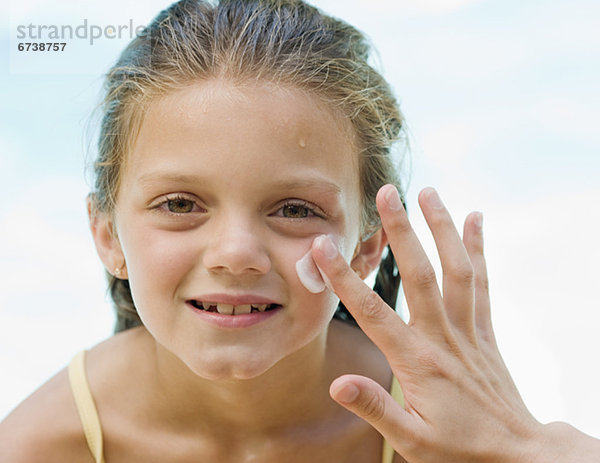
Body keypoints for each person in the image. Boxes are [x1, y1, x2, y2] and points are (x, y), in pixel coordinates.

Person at [1, 0, 599, 461]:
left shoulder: (439, 428)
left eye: (294, 210)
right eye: (180, 203)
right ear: (106, 234)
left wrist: (527, 451)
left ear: (368, 244)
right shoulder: (41, 445)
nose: (237, 253)